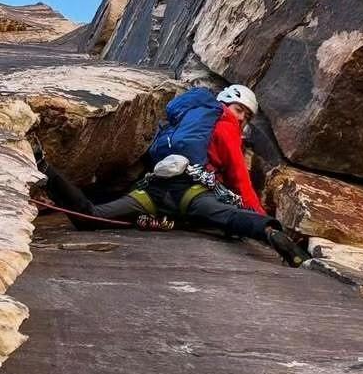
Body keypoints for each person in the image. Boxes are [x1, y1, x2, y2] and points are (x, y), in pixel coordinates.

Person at [34, 83, 307, 266]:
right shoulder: (225, 125)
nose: (241, 118)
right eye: (239, 110)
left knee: (93, 217)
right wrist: (261, 217)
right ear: (225, 104)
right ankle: (271, 233)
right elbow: (239, 179)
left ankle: (45, 168)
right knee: (229, 217)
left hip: (154, 190)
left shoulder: (184, 120)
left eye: (246, 117)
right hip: (191, 191)